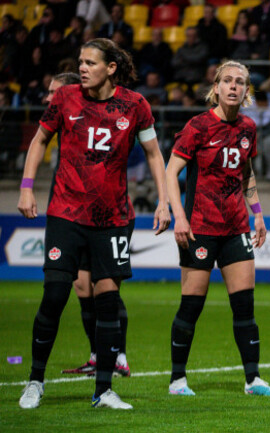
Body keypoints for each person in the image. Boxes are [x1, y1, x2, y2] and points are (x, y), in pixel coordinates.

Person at [17, 38, 170, 410]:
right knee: (54, 295)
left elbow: (154, 153)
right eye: (81, 62)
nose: (82, 68)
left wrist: (165, 201)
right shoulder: (64, 97)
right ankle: (35, 381)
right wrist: (26, 187)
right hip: (66, 213)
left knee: (108, 302)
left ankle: (103, 391)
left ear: (111, 67)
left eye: (90, 62)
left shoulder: (135, 105)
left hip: (113, 218)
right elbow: (39, 141)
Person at [165, 60, 270, 398]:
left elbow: (245, 173)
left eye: (240, 82)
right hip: (199, 227)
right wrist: (179, 217)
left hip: (235, 228)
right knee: (191, 306)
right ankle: (177, 381)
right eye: (228, 81)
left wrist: (257, 214)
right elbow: (172, 172)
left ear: (246, 91)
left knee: (245, 307)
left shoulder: (248, 127)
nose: (234, 86)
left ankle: (253, 380)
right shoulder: (198, 126)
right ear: (216, 87)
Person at [37, 72, 133, 378]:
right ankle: (97, 354)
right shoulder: (66, 124)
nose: (48, 98)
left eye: (53, 92)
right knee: (82, 287)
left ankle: (118, 356)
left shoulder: (91, 114)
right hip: (72, 213)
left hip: (106, 216)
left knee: (105, 289)